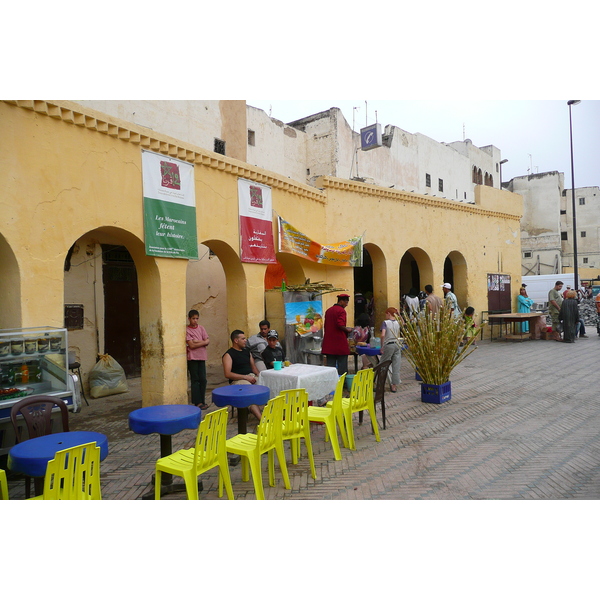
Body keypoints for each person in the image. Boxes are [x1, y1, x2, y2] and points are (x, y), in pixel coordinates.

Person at [222, 330, 262, 420]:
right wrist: (245, 377)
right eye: (243, 339)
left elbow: (253, 367)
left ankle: (272, 415)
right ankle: (262, 420)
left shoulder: (247, 351)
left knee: (267, 387)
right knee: (249, 392)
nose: (245, 340)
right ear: (236, 340)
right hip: (238, 380)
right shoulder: (228, 354)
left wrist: (260, 376)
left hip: (251, 376)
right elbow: (227, 374)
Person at [322, 293, 353, 376]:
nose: (346, 305)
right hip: (339, 342)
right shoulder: (341, 311)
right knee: (342, 365)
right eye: (346, 303)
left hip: (329, 342)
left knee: (330, 367)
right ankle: (342, 384)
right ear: (341, 301)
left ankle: (330, 383)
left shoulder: (329, 310)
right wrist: (348, 329)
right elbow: (340, 325)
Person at [186, 309, 210, 410]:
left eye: (197, 318)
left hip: (202, 356)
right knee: (195, 380)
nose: (195, 321)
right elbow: (191, 345)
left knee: (203, 379)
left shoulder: (201, 328)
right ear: (189, 319)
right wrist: (202, 342)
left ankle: (203, 400)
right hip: (192, 358)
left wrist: (198, 342)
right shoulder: (187, 330)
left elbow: (207, 340)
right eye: (193, 318)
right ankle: (197, 401)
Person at [380, 307, 402, 393]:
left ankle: (380, 383)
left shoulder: (385, 323)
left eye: (386, 314)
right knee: (396, 365)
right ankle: (394, 386)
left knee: (383, 364)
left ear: (389, 313)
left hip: (388, 345)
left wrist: (382, 346)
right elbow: (403, 323)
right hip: (397, 344)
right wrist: (399, 314)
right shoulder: (397, 322)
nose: (385, 316)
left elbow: (382, 335)